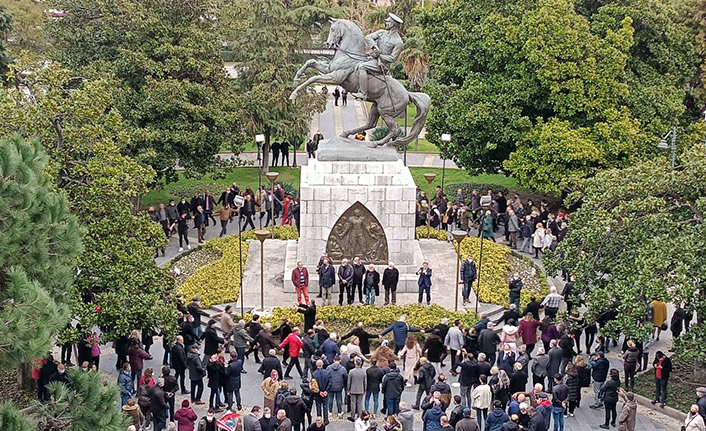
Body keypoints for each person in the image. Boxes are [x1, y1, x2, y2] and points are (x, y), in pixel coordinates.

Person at [351, 13, 405, 100]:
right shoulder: (381, 33)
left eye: (388, 22)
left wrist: (380, 55)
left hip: (382, 65)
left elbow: (392, 58)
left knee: (362, 67)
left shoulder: (398, 42)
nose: (386, 23)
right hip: (374, 59)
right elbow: (368, 37)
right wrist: (374, 47)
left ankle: (363, 93)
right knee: (357, 62)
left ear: (392, 24)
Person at [312, 360, 331, 425]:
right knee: (325, 406)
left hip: (318, 393)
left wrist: (319, 392)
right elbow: (330, 383)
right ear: (322, 365)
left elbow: (314, 385)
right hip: (325, 392)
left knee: (318, 405)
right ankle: (326, 420)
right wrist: (326, 391)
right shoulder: (327, 373)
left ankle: (319, 418)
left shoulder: (314, 374)